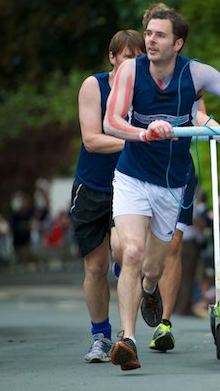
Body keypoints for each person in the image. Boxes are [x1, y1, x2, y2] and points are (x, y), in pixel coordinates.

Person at [103, 3, 220, 371]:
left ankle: (149, 290)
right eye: (149, 34)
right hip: (132, 177)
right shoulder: (130, 71)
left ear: (178, 42)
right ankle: (127, 339)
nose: (151, 41)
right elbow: (111, 121)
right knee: (131, 252)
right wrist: (144, 132)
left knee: (154, 266)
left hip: (172, 185)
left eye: (160, 35)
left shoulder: (196, 73)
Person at [70, 29, 146, 363]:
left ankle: (127, 328)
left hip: (128, 184)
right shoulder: (94, 85)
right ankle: (100, 336)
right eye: (128, 56)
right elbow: (92, 139)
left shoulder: (145, 91)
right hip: (92, 186)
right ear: (113, 57)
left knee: (125, 250)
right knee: (96, 266)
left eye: (139, 56)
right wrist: (141, 139)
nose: (134, 62)